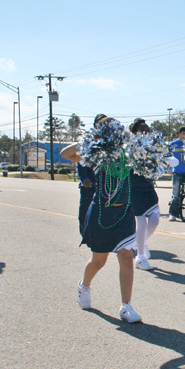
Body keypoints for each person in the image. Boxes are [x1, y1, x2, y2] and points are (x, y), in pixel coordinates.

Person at [75, 117, 142, 324]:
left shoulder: (128, 154)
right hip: (101, 213)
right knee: (99, 261)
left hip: (124, 213)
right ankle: (84, 286)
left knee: (126, 257)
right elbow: (65, 154)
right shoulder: (97, 155)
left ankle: (126, 306)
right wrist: (92, 141)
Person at [128, 118, 178, 271]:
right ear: (135, 132)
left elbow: (174, 161)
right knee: (141, 222)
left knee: (155, 220)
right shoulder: (130, 147)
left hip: (148, 187)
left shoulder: (155, 147)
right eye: (142, 131)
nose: (146, 133)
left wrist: (160, 158)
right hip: (134, 186)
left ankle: (140, 243)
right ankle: (140, 257)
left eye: (147, 130)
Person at [61, 113, 105, 235]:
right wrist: (84, 178)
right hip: (89, 184)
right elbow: (80, 160)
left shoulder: (112, 143)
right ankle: (86, 235)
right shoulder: (89, 141)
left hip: (105, 186)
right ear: (95, 125)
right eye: (100, 123)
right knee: (85, 213)